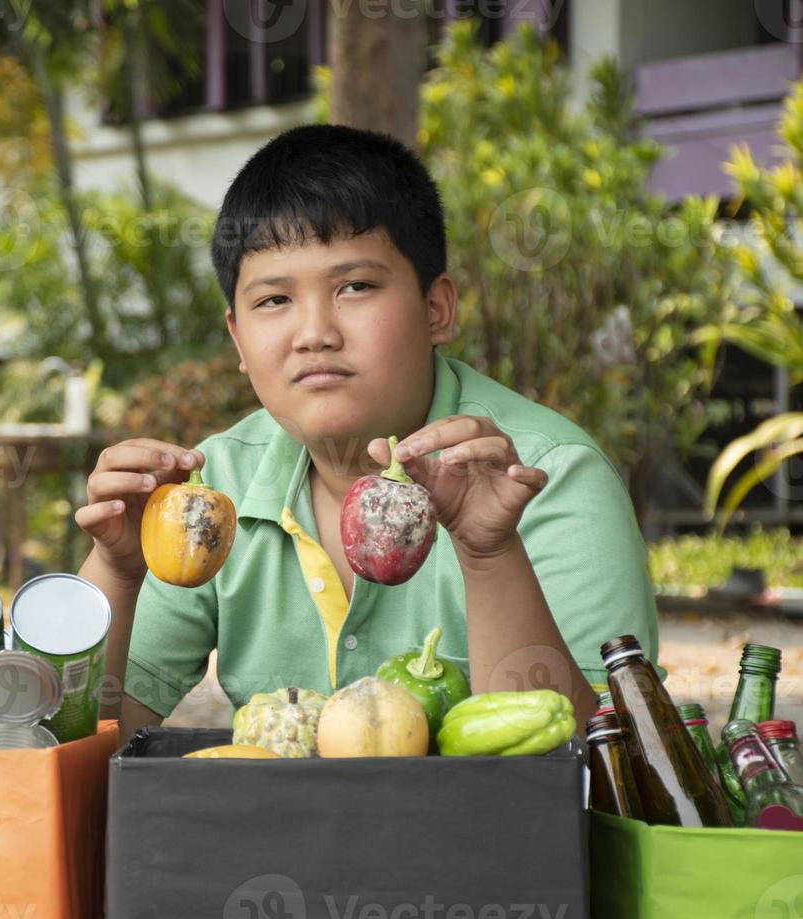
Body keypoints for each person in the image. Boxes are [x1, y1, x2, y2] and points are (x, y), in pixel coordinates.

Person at [75, 124, 657, 744]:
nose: (314, 332)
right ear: (238, 338)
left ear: (437, 310)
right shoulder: (211, 494)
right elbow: (80, 745)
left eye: (355, 286)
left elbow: (603, 762)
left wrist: (490, 554)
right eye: (274, 300)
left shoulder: (547, 477)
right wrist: (117, 571)